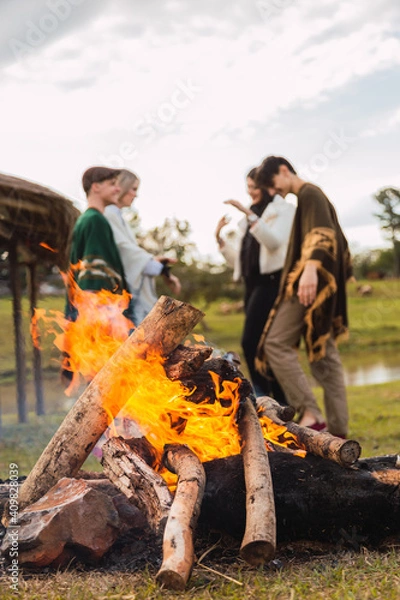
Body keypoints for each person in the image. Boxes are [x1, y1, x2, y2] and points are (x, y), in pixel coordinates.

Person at [255, 156, 352, 437]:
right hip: (319, 285)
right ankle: (337, 433)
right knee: (325, 356)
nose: (275, 192)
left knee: (275, 343)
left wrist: (309, 270)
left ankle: (311, 414)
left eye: (273, 185)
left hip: (310, 283)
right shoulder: (307, 197)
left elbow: (322, 233)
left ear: (284, 171)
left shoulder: (310, 193)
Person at [215, 167, 295, 403]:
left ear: (268, 187)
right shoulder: (246, 221)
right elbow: (239, 261)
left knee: (254, 342)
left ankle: (272, 399)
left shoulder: (284, 211)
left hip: (272, 283)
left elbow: (273, 243)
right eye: (248, 187)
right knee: (257, 344)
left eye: (254, 187)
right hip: (252, 286)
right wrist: (219, 239)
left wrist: (247, 213)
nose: (250, 192)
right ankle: (274, 400)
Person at [63, 166, 134, 384]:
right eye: (112, 184)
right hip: (100, 311)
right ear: (96, 187)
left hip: (89, 313)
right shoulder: (96, 221)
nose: (117, 189)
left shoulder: (87, 219)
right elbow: (93, 279)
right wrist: (108, 323)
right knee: (108, 379)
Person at [104, 169, 181, 324]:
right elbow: (124, 252)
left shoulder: (119, 218)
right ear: (121, 187)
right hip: (118, 297)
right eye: (133, 189)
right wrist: (161, 269)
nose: (135, 195)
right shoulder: (108, 215)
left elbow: (134, 255)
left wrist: (156, 261)